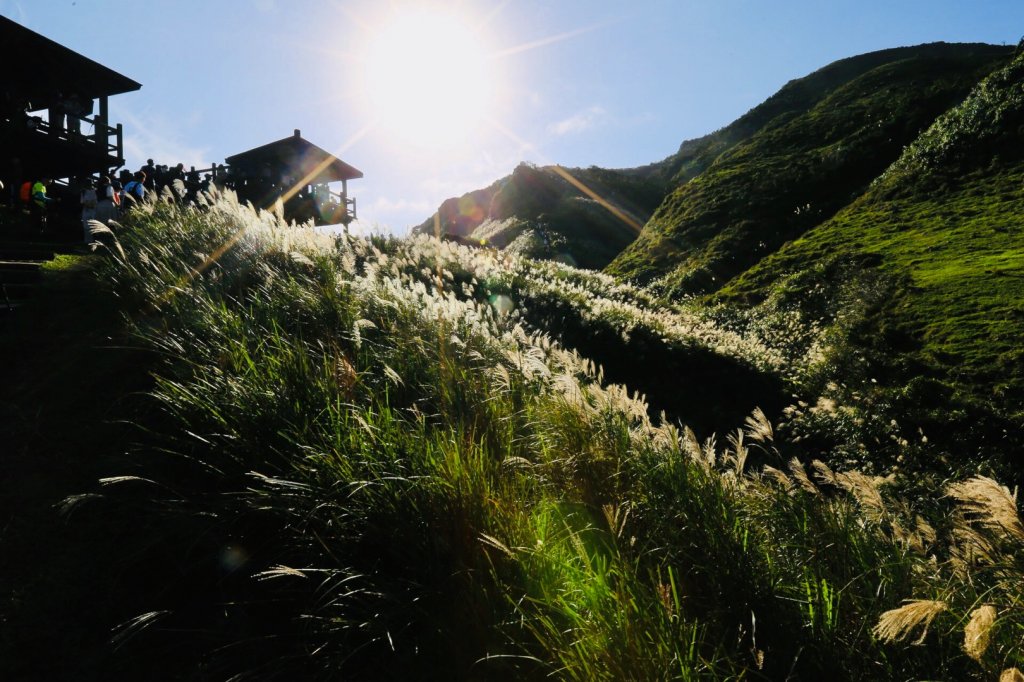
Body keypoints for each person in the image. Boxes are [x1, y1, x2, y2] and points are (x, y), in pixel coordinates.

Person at [80, 178, 98, 243]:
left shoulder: (96, 191)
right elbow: (82, 202)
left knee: (95, 225)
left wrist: (90, 204)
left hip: (94, 210)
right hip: (86, 210)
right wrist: (89, 205)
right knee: (86, 226)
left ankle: (95, 240)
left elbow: (96, 200)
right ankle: (87, 241)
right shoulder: (83, 191)